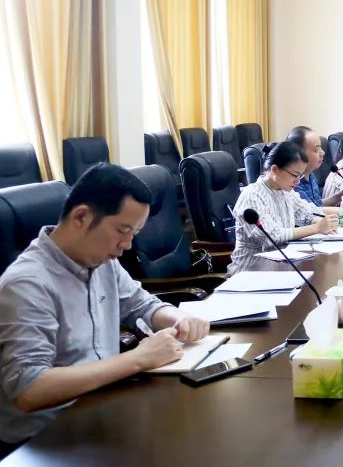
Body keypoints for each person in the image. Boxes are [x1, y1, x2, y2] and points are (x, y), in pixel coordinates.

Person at [0, 164, 210, 447]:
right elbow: (29, 388)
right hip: (45, 439)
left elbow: (142, 305)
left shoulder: (101, 260)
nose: (128, 244)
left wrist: (179, 318)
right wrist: (138, 358)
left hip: (103, 409)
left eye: (135, 233)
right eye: (123, 230)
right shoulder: (27, 284)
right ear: (81, 217)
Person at [231, 142, 343, 273]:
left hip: (282, 267)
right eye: (295, 175)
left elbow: (309, 212)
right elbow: (271, 237)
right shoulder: (252, 196)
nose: (297, 181)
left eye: (300, 176)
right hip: (251, 272)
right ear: (274, 170)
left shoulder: (285, 191)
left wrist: (323, 222)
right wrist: (317, 227)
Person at [284, 126, 343, 208]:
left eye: (321, 147)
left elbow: (316, 205)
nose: (323, 153)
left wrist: (337, 197)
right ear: (299, 153)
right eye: (316, 149)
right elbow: (310, 211)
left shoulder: (311, 174)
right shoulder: (293, 181)